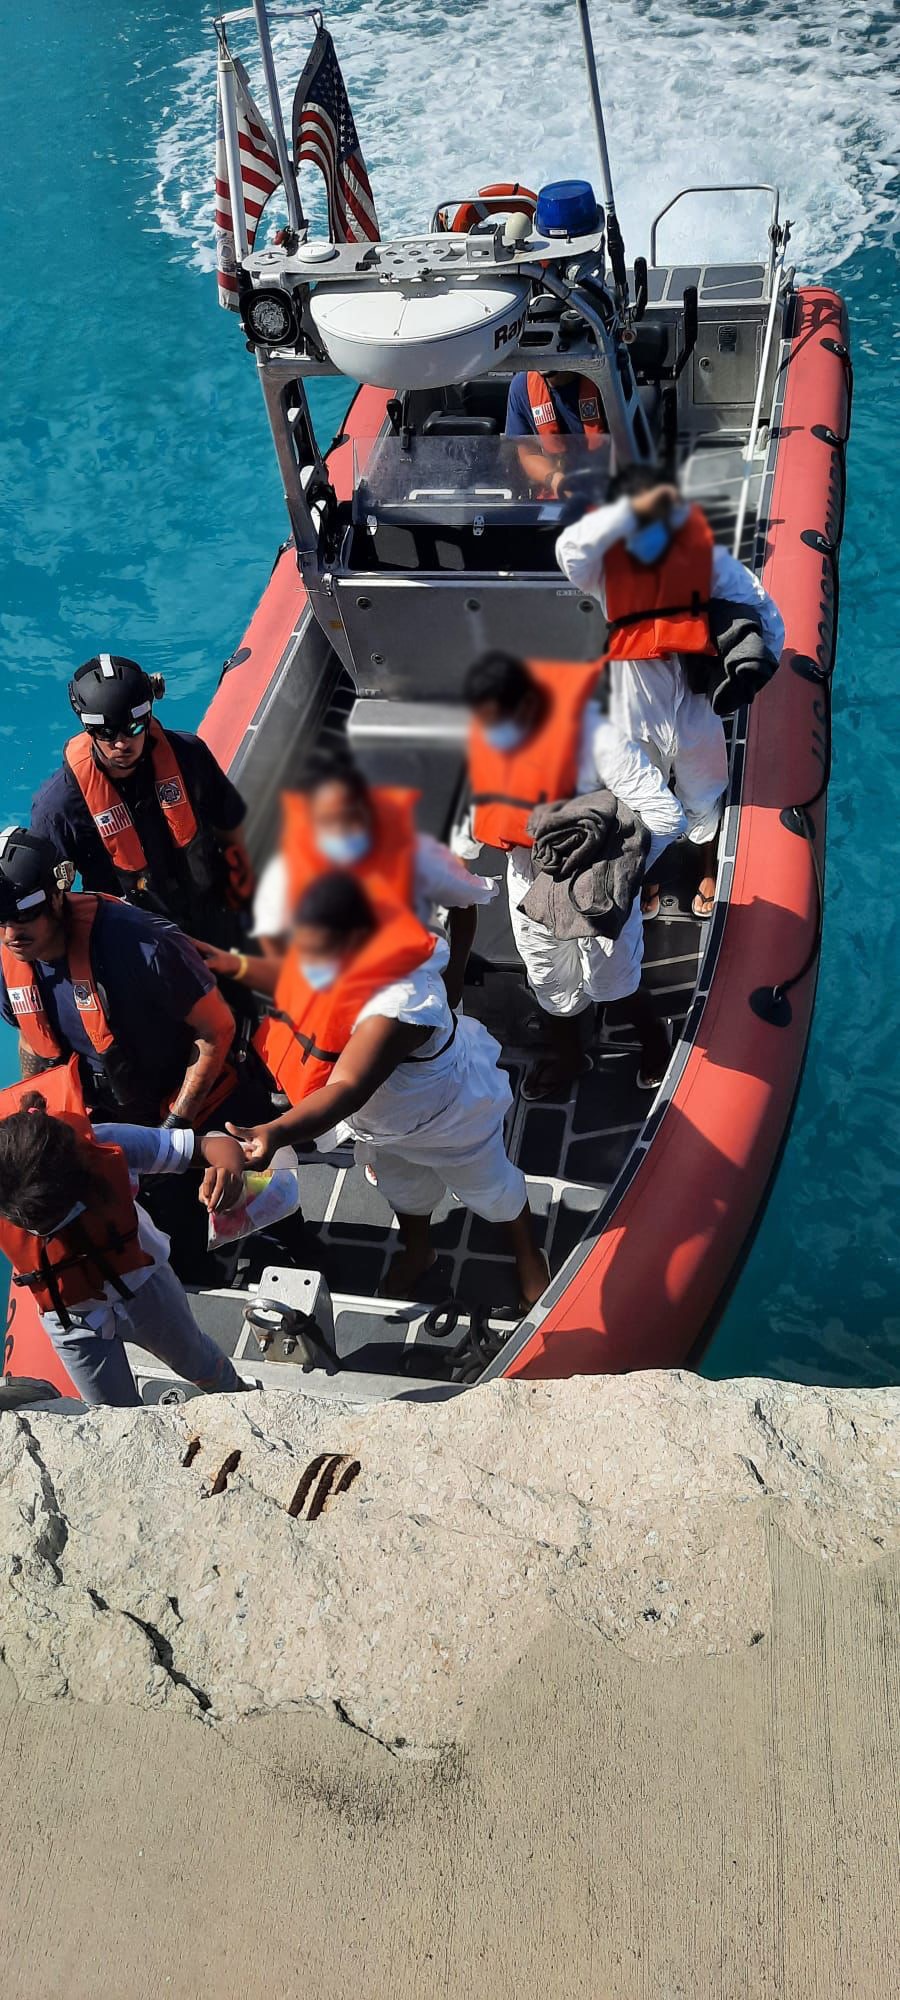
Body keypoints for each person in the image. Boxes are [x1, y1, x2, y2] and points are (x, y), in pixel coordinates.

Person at [229, 873, 548, 1306]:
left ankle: (527, 1251)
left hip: (449, 1121)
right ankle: (419, 1250)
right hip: (384, 1131)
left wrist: (276, 1133)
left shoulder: (401, 1004)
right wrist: (454, 980)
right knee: (402, 1189)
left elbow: (347, 1086)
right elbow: (462, 901)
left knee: (492, 1189)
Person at [555, 466, 785, 918]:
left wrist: (752, 675)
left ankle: (705, 860)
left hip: (695, 691)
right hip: (636, 694)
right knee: (643, 794)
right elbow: (570, 547)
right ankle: (650, 872)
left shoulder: (704, 558)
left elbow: (764, 609)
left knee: (705, 786)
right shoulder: (602, 562)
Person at [464, 651, 686, 1098]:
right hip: (530, 886)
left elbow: (667, 816)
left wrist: (626, 870)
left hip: (598, 887)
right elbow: (471, 827)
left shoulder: (599, 742)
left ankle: (654, 1040)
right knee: (547, 981)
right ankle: (568, 1056)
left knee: (615, 980)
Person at [0, 1057, 251, 1406]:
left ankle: (239, 1397)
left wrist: (229, 1169)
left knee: (199, 1360)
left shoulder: (106, 1143)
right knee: (111, 1413)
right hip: (71, 1320)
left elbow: (213, 1147)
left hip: (146, 1288)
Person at [0, 826, 238, 1128]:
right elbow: (32, 1038)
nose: (11, 933)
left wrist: (175, 1128)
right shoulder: (12, 959)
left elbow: (217, 1029)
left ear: (56, 897)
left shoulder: (143, 944)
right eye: (0, 919)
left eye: (24, 915)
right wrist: (31, 1123)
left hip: (178, 1109)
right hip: (102, 1117)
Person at [234, 748, 497, 1008]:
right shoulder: (284, 875)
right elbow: (272, 937)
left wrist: (455, 974)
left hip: (425, 992)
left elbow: (465, 902)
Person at [30, 655, 254, 942]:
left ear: (147, 717)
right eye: (106, 732)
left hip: (211, 913)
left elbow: (230, 821)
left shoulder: (189, 755)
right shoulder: (58, 807)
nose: (122, 743)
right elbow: (49, 900)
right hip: (135, 942)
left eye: (134, 727)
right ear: (89, 730)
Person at [505, 369, 606, 496]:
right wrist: (554, 479)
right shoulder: (521, 387)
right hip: (557, 490)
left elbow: (625, 446)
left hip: (605, 486)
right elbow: (528, 453)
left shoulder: (603, 380)